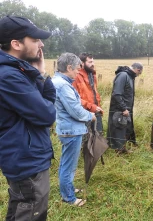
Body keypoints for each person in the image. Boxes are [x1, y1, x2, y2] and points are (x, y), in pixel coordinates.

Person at [0, 16, 56, 220]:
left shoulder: (20, 72)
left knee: (24, 210)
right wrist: (41, 75)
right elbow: (48, 115)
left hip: (28, 156)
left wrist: (39, 73)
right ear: (16, 44)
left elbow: (44, 108)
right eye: (35, 39)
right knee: (30, 212)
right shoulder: (9, 77)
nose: (41, 44)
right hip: (26, 161)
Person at [52, 53, 96, 207]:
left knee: (67, 163)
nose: (78, 72)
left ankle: (68, 189)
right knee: (69, 165)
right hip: (71, 130)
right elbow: (76, 110)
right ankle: (69, 198)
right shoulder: (63, 85)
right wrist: (90, 115)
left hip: (67, 129)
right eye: (77, 69)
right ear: (69, 67)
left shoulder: (58, 81)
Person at [107, 63, 143, 153]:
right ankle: (118, 152)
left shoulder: (129, 76)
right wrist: (124, 108)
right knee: (118, 130)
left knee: (124, 129)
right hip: (119, 109)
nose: (139, 75)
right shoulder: (123, 75)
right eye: (140, 73)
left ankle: (122, 149)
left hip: (125, 110)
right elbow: (116, 94)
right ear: (138, 70)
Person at [73, 52, 103, 138]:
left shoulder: (92, 75)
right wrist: (90, 106)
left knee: (98, 136)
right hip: (84, 112)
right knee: (86, 138)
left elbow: (95, 93)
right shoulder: (76, 76)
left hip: (96, 110)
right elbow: (75, 98)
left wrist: (98, 107)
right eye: (90, 62)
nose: (93, 64)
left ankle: (96, 152)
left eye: (93, 61)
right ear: (82, 63)